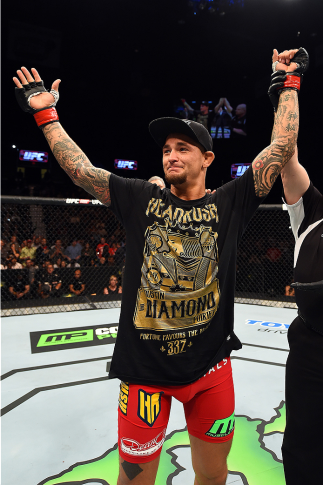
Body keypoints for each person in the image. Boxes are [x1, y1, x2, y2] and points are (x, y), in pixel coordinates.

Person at [13, 51, 305, 485]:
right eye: (166, 149)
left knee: (213, 475)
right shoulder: (141, 199)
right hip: (144, 377)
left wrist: (289, 82)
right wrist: (46, 115)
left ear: (207, 159)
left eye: (182, 148)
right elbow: (81, 170)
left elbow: (280, 149)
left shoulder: (229, 203)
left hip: (211, 372)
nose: (171, 155)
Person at [269, 48, 319, 484]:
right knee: (302, 444)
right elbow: (285, 158)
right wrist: (288, 85)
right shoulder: (313, 212)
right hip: (312, 352)